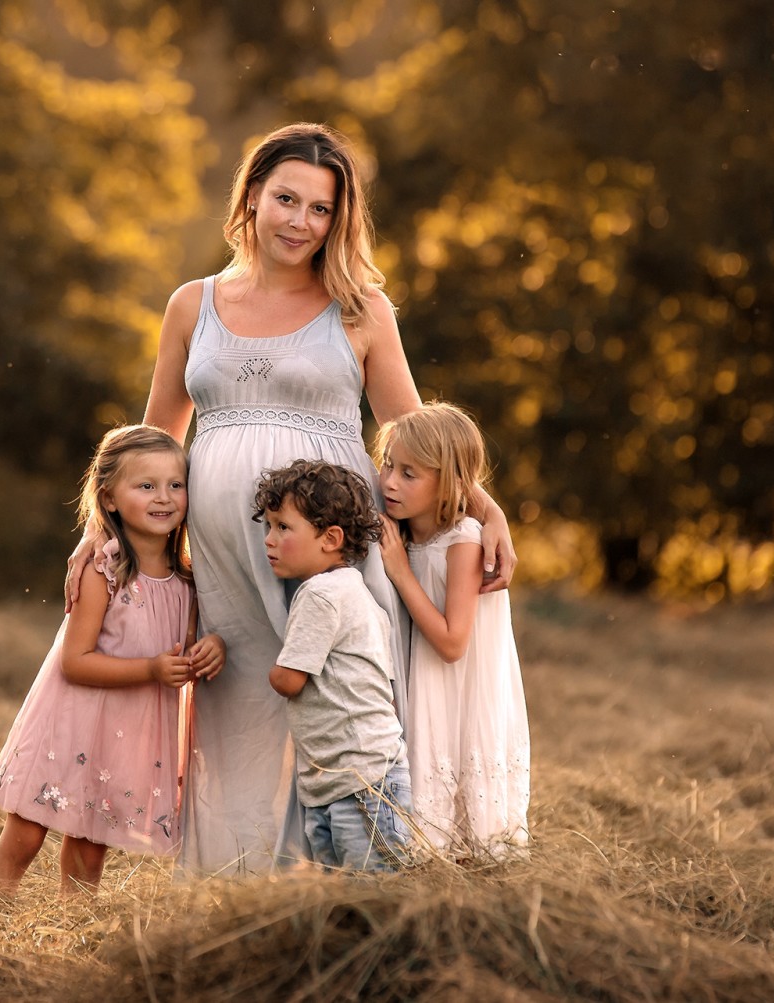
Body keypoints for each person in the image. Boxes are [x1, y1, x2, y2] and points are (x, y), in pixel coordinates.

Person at [68, 122, 516, 874]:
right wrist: (101, 526)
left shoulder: (361, 309)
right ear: (251, 195)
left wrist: (489, 509)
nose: (300, 222)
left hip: (335, 545)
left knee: (342, 700)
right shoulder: (192, 303)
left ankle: (364, 878)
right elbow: (156, 438)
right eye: (286, 199)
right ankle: (238, 895)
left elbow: (417, 432)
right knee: (240, 708)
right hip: (224, 554)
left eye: (321, 209)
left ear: (339, 220)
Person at [0, 425, 225, 897]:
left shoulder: (190, 580)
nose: (164, 498)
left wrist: (211, 650)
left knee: (91, 850)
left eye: (176, 485)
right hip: (71, 723)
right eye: (146, 486)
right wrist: (151, 669)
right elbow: (76, 661)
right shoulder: (103, 568)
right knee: (26, 835)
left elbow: (184, 649)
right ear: (109, 499)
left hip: (126, 736)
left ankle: (75, 935)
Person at [375, 402, 530, 859]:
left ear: (450, 482)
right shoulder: (408, 534)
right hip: (424, 686)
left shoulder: (462, 541)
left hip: (457, 693)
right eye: (387, 465)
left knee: (463, 838)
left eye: (409, 473)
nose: (388, 482)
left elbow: (451, 643)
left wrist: (401, 572)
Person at [258, 460, 413, 873]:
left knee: (373, 891)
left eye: (283, 527)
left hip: (359, 783)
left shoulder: (320, 596)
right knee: (353, 891)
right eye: (268, 527)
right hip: (350, 778)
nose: (269, 540)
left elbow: (289, 680)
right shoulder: (357, 594)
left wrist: (270, 670)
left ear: (330, 538)